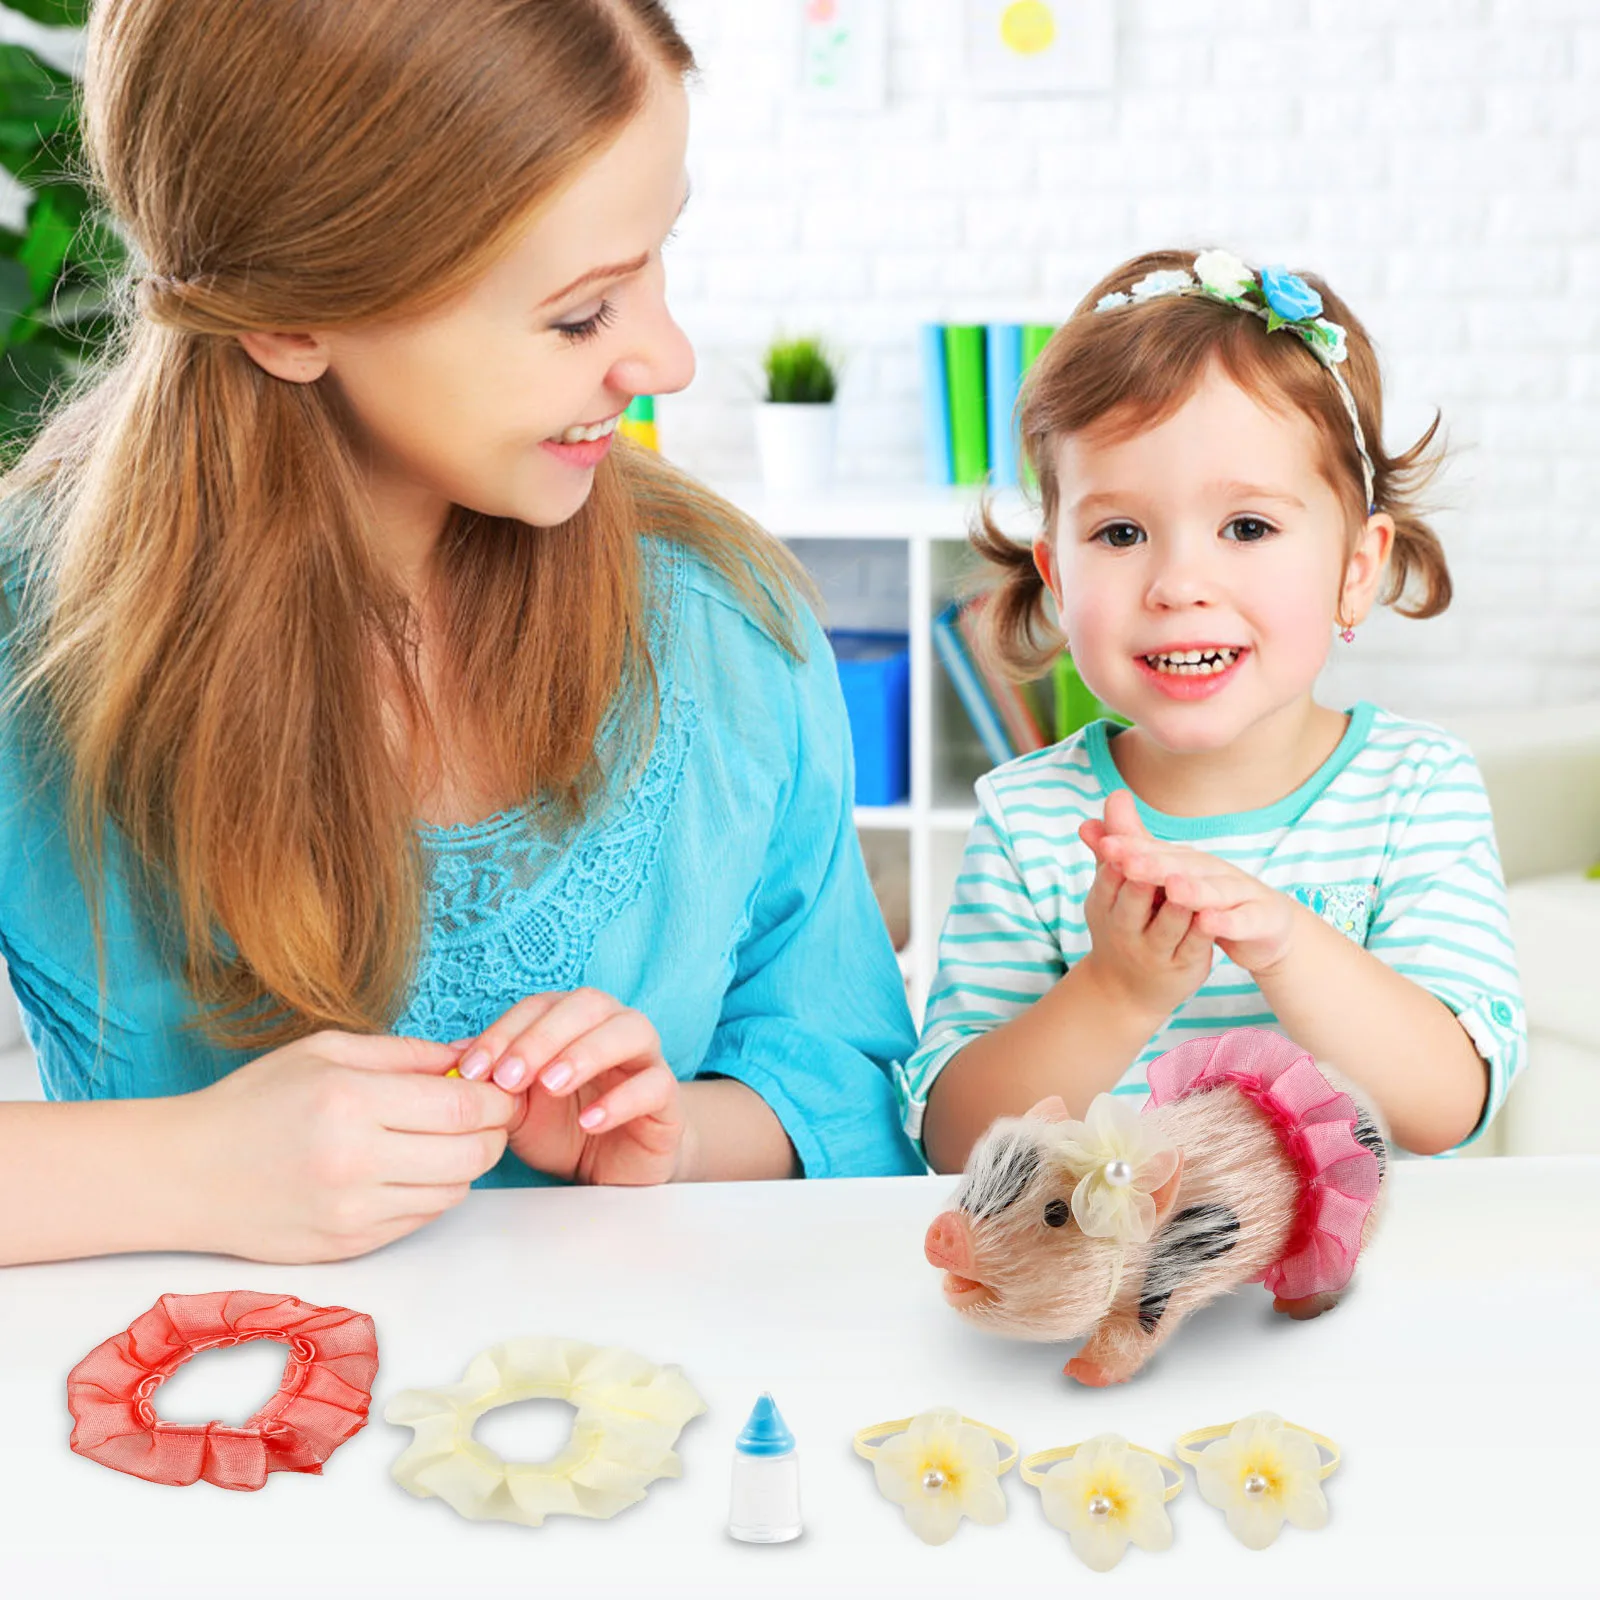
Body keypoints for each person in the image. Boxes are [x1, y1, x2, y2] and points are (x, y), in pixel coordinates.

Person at [0, 0, 924, 1269]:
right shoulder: (27, 635)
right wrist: (188, 1172)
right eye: (581, 314)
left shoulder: (724, 628)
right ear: (289, 322)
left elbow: (849, 1088)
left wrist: (675, 1138)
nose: (667, 357)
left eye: (659, 256)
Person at [903, 247, 1526, 1175]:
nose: (1180, 584)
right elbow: (957, 1141)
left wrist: (1286, 944)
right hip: (1101, 1296)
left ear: (1355, 570)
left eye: (1247, 528)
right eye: (1121, 533)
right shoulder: (1032, 819)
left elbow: (1449, 1106)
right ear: (1057, 579)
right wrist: (1117, 990)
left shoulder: (1415, 791)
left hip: (1358, 1303)